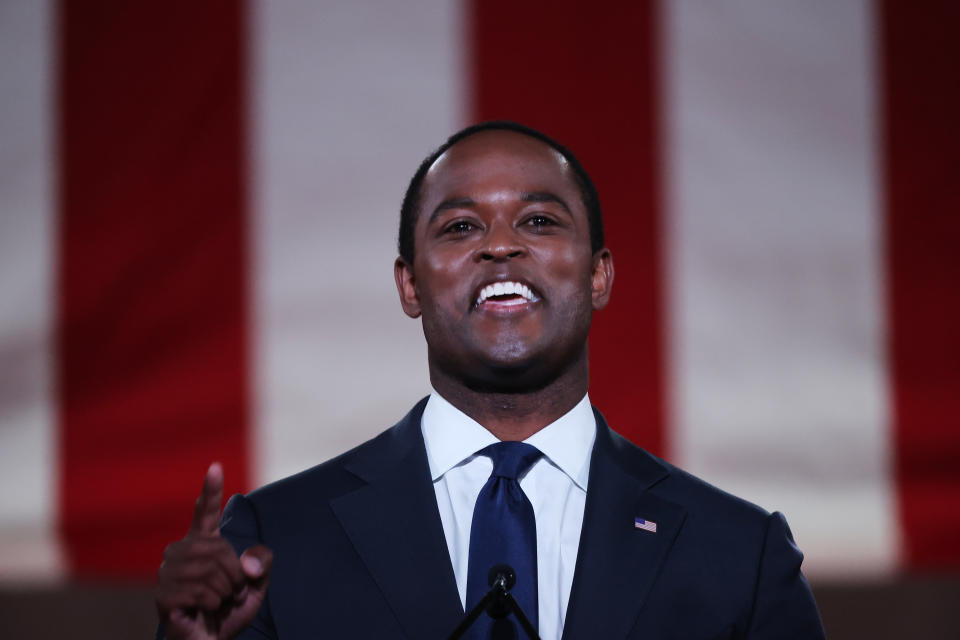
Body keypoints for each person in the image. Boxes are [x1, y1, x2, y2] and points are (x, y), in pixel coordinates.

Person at [155, 122, 825, 639]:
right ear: (410, 285)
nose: (500, 244)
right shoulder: (274, 540)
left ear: (599, 276)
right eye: (460, 226)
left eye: (538, 221)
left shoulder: (741, 554)